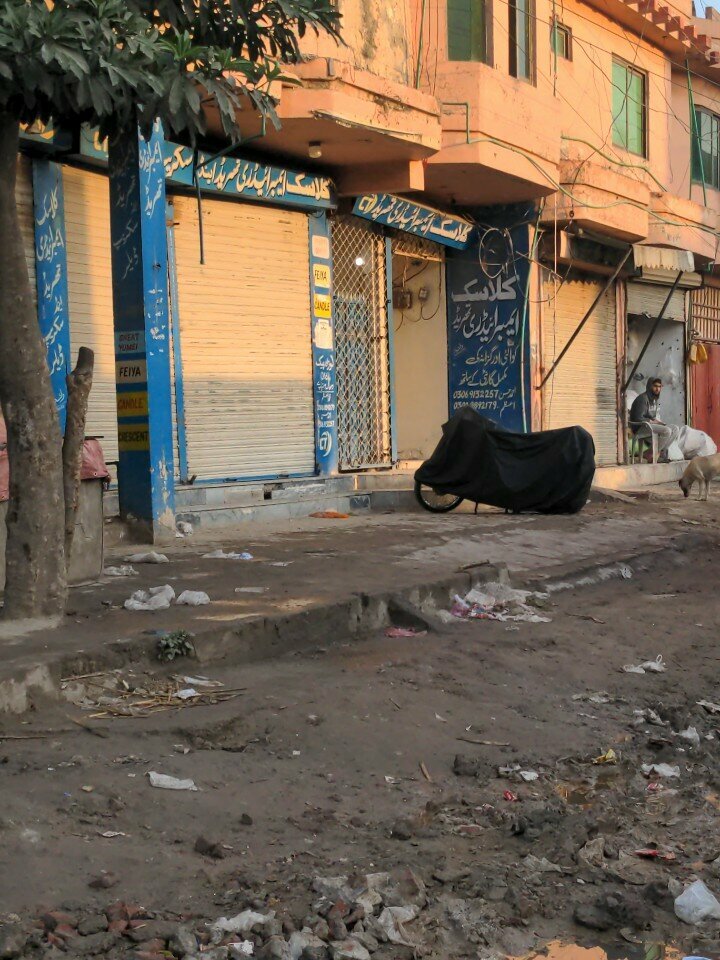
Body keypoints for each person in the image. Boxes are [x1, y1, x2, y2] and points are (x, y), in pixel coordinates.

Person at [629, 377, 682, 461]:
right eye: (655, 386)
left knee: (675, 429)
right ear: (649, 386)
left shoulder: (654, 400)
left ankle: (655, 453)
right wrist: (652, 422)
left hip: (649, 426)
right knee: (666, 431)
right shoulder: (642, 399)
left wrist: (660, 423)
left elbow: (652, 417)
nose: (657, 389)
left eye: (659, 386)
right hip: (640, 427)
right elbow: (638, 418)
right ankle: (653, 454)